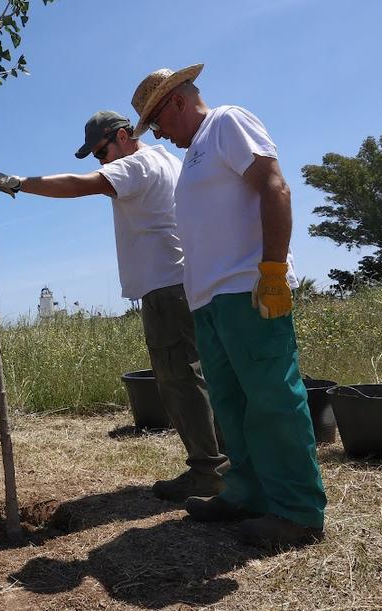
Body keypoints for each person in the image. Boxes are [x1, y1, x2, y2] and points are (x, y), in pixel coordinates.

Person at [0, 110, 229, 502]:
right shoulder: (166, 159)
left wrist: (16, 183)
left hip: (165, 285)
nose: (102, 162)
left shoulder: (137, 163)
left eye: (102, 151)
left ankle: (208, 470)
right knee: (201, 375)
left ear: (125, 136)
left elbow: (82, 185)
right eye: (97, 156)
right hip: (186, 279)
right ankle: (226, 463)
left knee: (179, 379)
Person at [129, 63, 327, 549]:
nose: (159, 134)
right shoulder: (194, 152)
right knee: (231, 402)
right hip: (208, 299)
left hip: (248, 288)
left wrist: (274, 271)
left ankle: (297, 512)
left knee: (273, 398)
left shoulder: (226, 123)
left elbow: (274, 186)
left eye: (158, 123)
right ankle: (246, 492)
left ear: (176, 101)